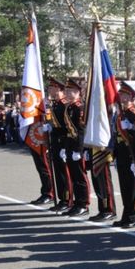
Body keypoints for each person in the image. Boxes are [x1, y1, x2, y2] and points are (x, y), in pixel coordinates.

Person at [113, 81, 135, 228]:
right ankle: (127, 214)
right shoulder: (122, 113)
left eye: (124, 95)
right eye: (121, 94)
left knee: (133, 188)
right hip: (123, 155)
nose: (121, 97)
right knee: (125, 187)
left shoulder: (133, 113)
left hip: (132, 156)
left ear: (131, 97)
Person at [60, 78, 89, 217]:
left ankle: (83, 204)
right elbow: (68, 131)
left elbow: (81, 130)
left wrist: (79, 149)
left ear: (77, 92)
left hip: (78, 148)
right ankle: (77, 203)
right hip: (70, 146)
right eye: (66, 90)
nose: (67, 92)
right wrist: (65, 148)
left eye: (70, 90)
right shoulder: (69, 107)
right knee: (73, 176)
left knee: (80, 176)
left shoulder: (79, 107)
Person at [45, 78, 73, 213]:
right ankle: (62, 199)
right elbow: (54, 124)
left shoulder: (64, 104)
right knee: (57, 172)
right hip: (55, 141)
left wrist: (64, 146)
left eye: (51, 88)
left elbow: (67, 127)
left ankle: (67, 200)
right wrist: (48, 126)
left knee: (64, 173)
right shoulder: (54, 104)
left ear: (58, 89)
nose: (49, 90)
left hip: (63, 142)